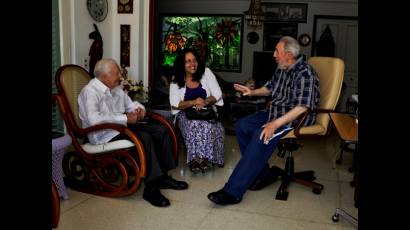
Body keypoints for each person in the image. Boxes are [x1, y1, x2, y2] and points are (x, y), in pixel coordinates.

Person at [207, 36, 320, 205]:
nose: (274, 54)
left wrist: (275, 124)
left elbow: (302, 108)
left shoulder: (305, 73)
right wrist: (252, 93)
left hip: (295, 119)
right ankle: (264, 173)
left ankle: (233, 192)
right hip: (275, 112)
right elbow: (269, 88)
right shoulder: (282, 67)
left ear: (288, 54)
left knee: (261, 135)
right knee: (242, 126)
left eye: (277, 51)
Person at [78, 58, 188, 208]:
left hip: (120, 128)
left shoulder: (115, 88)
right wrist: (125, 118)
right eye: (117, 73)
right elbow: (93, 120)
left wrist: (139, 110)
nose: (120, 77)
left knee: (161, 130)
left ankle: (162, 177)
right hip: (103, 135)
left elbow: (130, 105)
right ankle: (151, 188)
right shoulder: (89, 92)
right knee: (145, 137)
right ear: (105, 76)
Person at [169, 48, 225, 174]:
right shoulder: (176, 80)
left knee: (211, 126)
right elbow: (175, 104)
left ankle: (205, 158)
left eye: (194, 60)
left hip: (206, 111)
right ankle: (196, 159)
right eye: (188, 61)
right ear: (182, 64)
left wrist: (204, 102)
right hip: (185, 114)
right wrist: (194, 102)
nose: (192, 64)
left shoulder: (206, 72)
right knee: (194, 125)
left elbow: (217, 93)